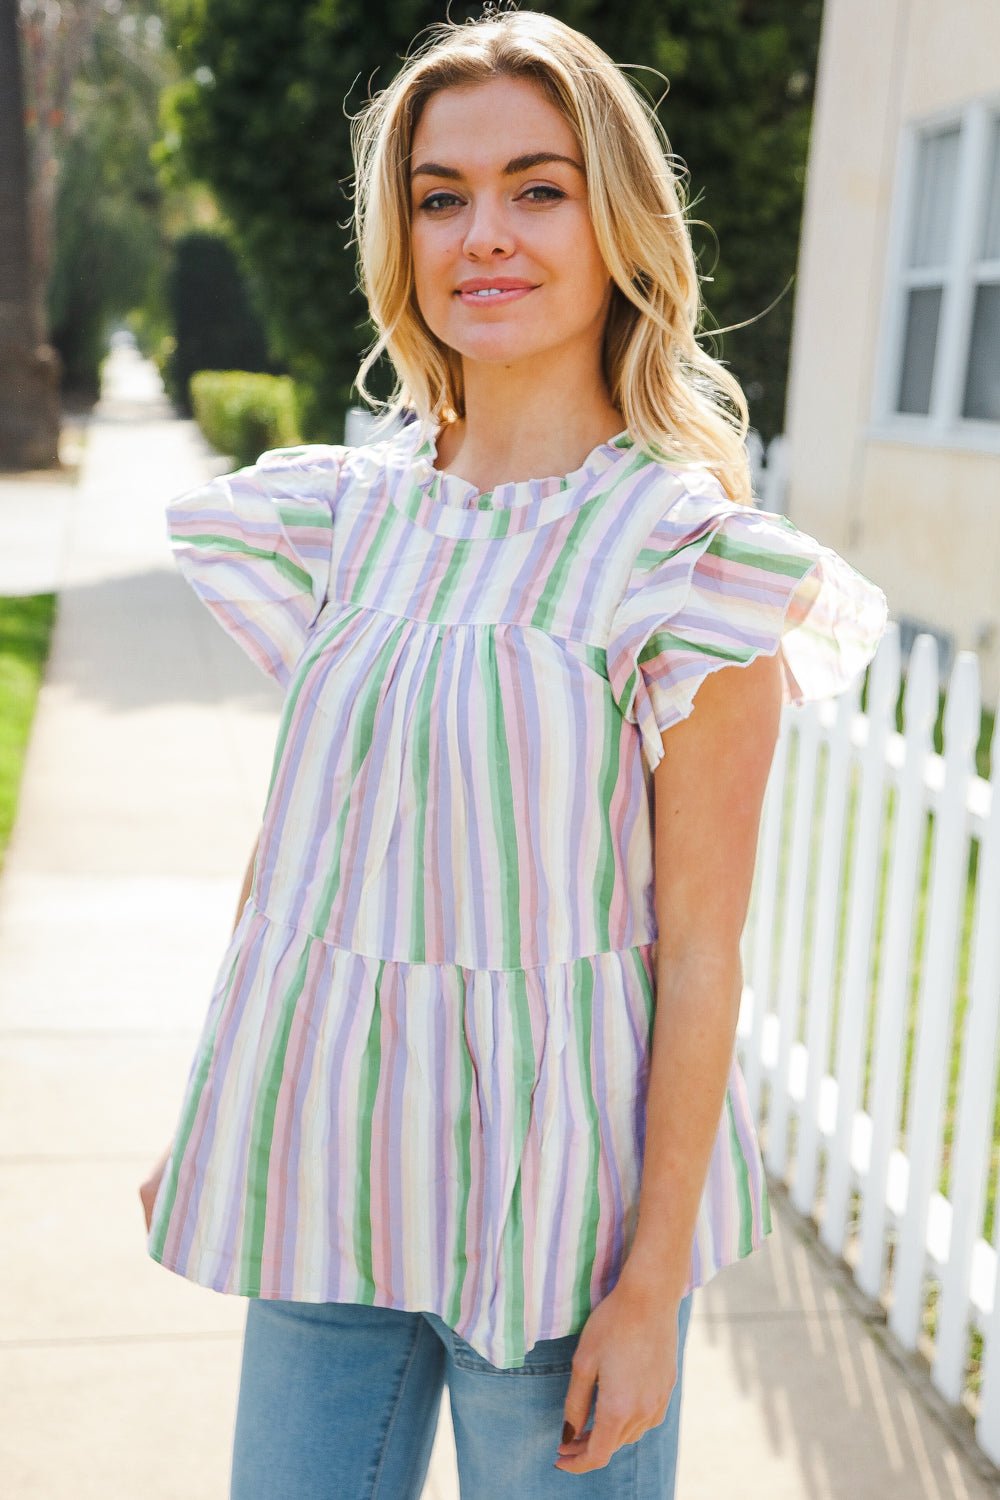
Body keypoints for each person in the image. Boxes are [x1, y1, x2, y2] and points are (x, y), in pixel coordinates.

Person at [139, 9, 890, 1497]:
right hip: (328, 1159)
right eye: (442, 195)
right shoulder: (342, 517)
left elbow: (703, 951)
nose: (484, 232)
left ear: (615, 221)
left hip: (564, 1209)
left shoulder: (687, 558)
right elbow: (297, 845)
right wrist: (223, 1101)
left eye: (537, 188)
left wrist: (652, 1281)